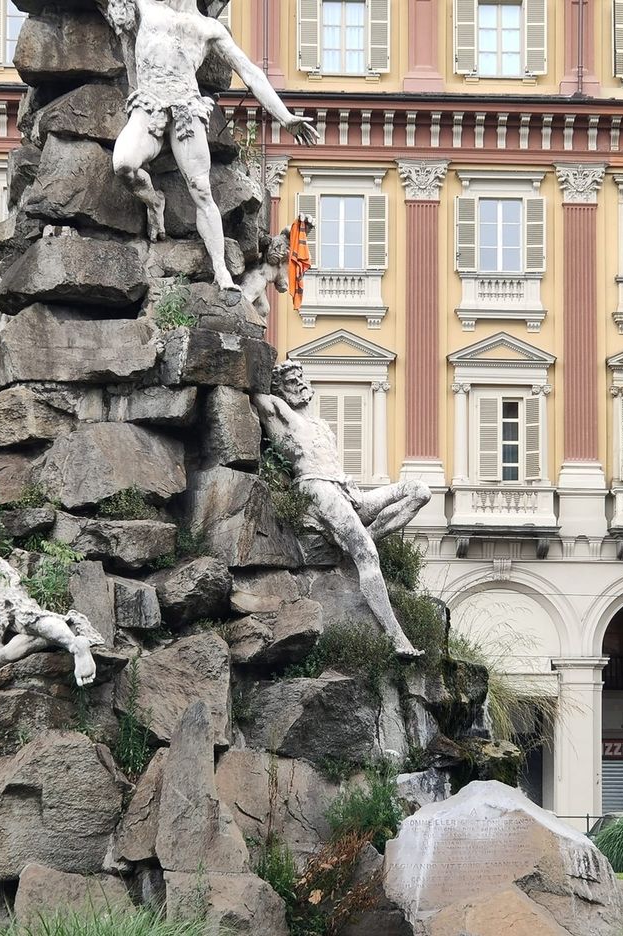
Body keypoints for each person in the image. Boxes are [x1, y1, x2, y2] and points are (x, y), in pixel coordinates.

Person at [106, 0, 318, 290]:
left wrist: (285, 117)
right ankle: (154, 201)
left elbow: (251, 72)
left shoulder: (209, 28)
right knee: (124, 165)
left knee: (202, 192)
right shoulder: (145, 5)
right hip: (149, 105)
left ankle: (221, 271)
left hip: (188, 109)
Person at [253, 361, 432, 659]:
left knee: (419, 491)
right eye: (288, 381)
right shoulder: (278, 411)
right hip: (314, 487)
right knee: (367, 555)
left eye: (298, 378)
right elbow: (254, 391)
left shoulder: (321, 425)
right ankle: (398, 638)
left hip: (345, 489)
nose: (296, 384)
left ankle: (364, 539)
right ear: (278, 389)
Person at [0, 552, 104, 686]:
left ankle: (73, 645)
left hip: (0, 580)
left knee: (26, 619)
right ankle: (65, 639)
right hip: (0, 578)